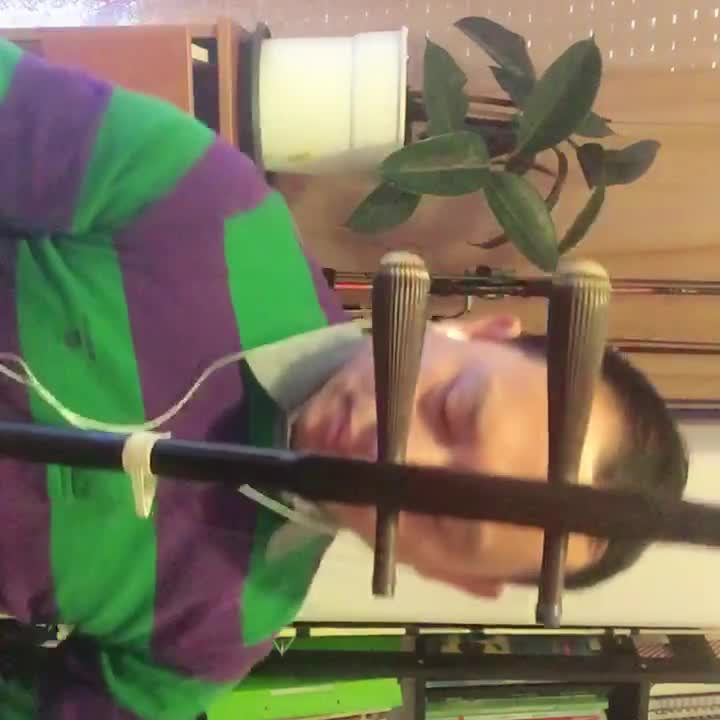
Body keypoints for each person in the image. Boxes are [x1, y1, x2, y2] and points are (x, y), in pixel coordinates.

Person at [0, 38, 687, 719]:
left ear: (455, 579)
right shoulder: (203, 203)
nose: (390, 458)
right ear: (479, 332)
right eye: (451, 409)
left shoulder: (213, 635)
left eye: (445, 516)